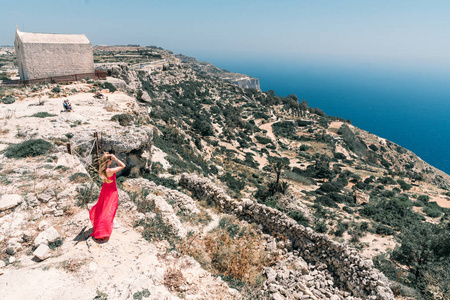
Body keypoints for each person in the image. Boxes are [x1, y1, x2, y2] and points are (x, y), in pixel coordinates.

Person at [89, 153, 126, 241]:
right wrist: (116, 159)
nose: (112, 161)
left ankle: (108, 222)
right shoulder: (110, 171)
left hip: (105, 189)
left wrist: (108, 156)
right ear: (108, 161)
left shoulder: (103, 169)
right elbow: (123, 165)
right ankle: (103, 228)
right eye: (111, 160)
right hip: (111, 190)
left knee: (103, 207)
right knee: (110, 207)